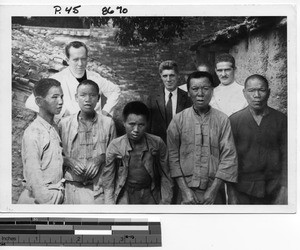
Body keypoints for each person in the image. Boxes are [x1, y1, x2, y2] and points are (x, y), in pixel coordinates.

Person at [167, 71, 238, 205]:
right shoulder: (178, 120)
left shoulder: (222, 120)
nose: (200, 93)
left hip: (214, 192)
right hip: (185, 193)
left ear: (212, 91)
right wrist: (185, 191)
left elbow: (228, 157)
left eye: (205, 88)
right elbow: (172, 157)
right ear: (188, 92)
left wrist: (214, 190)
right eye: (195, 89)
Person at [228, 74, 287, 204]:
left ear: (269, 92)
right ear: (244, 93)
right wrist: (232, 194)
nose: (257, 95)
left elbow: (288, 157)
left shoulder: (281, 120)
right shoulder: (234, 121)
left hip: (274, 188)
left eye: (261, 90)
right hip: (243, 189)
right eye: (251, 91)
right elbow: (229, 160)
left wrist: (284, 191)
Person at [25, 41, 120, 119]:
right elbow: (31, 101)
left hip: (95, 127)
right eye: (75, 60)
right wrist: (62, 112)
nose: (80, 64)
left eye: (83, 59)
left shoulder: (95, 78)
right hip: (70, 129)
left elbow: (115, 90)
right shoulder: (58, 79)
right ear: (67, 60)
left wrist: (105, 111)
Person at [102, 101, 173, 204]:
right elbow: (108, 178)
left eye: (141, 125)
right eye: (131, 124)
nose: (136, 129)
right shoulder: (115, 145)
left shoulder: (157, 143)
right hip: (125, 194)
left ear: (147, 124)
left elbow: (166, 175)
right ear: (124, 123)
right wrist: (110, 205)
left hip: (151, 194)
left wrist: (165, 202)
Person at [58, 80, 116, 204]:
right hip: (71, 187)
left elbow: (115, 155)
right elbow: (55, 155)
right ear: (76, 97)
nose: (87, 99)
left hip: (99, 188)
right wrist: (68, 161)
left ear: (98, 98)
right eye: (83, 95)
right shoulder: (64, 124)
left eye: (92, 95)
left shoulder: (108, 123)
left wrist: (100, 158)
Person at [17, 78, 65, 204]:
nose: (60, 102)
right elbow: (33, 173)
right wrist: (46, 200)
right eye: (54, 97)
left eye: (62, 97)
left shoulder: (54, 127)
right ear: (39, 101)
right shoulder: (33, 132)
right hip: (39, 199)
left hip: (54, 195)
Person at [148, 60, 192, 143]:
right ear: (161, 76)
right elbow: (148, 125)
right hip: (158, 146)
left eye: (172, 75)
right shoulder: (152, 99)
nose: (168, 79)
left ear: (178, 76)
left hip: (182, 145)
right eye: (165, 76)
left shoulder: (188, 98)